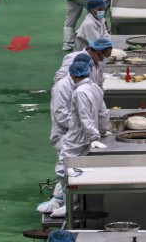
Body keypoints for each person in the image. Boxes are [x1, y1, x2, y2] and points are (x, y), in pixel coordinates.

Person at [42, 57, 110, 219]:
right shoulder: (95, 88)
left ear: (72, 74)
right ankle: (63, 200)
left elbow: (85, 117)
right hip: (84, 135)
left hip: (77, 137)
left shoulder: (80, 92)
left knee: (64, 169)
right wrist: (103, 130)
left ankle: (71, 205)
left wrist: (93, 135)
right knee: (74, 170)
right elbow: (103, 113)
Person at [50, 53, 93, 149]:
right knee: (67, 161)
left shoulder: (87, 85)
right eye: (90, 67)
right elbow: (61, 114)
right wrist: (81, 126)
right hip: (64, 135)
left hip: (83, 133)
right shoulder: (62, 86)